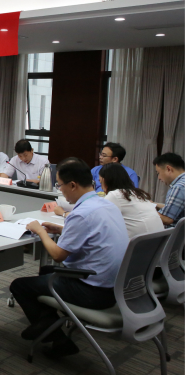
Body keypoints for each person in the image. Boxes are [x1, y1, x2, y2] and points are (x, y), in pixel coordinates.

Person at [10, 158, 128, 358]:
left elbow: (57, 255)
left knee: (19, 285)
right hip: (114, 287)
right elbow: (93, 235)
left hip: (93, 292)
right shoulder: (105, 205)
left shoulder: (81, 213)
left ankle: (54, 335)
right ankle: (48, 325)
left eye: (60, 185)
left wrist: (41, 231)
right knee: (46, 272)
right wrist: (61, 229)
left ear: (73, 185)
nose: (60, 190)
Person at [97, 163, 163, 238]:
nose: (101, 188)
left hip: (140, 242)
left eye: (101, 183)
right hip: (158, 240)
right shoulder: (139, 193)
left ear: (105, 180)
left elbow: (101, 221)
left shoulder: (114, 195)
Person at [154, 152, 185, 226]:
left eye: (158, 173)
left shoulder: (178, 187)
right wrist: (153, 204)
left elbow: (167, 219)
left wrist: (143, 209)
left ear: (169, 169)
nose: (159, 178)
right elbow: (175, 208)